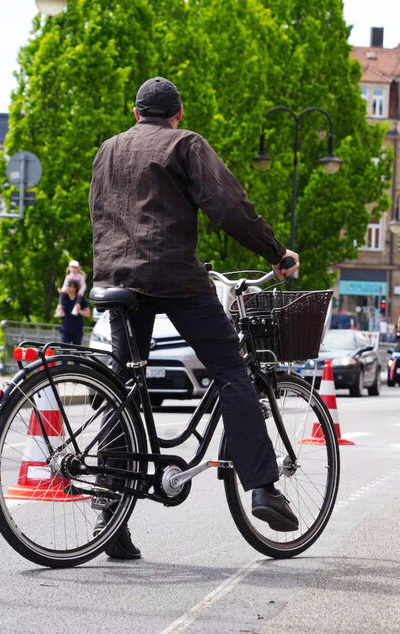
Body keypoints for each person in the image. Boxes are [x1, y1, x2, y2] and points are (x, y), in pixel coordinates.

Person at [89, 76, 301, 559]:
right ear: (178, 113)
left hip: (116, 280)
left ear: (135, 111)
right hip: (173, 277)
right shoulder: (186, 143)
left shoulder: (108, 149)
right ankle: (264, 489)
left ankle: (109, 517)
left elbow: (101, 211)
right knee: (231, 370)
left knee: (121, 388)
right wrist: (274, 252)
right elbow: (228, 205)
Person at [55, 280, 90, 345]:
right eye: (67, 285)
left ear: (75, 288)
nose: (67, 287)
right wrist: (59, 309)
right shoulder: (63, 297)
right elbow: (57, 311)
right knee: (64, 351)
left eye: (70, 286)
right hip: (65, 329)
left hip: (77, 330)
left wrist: (79, 310)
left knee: (76, 351)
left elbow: (88, 314)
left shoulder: (80, 299)